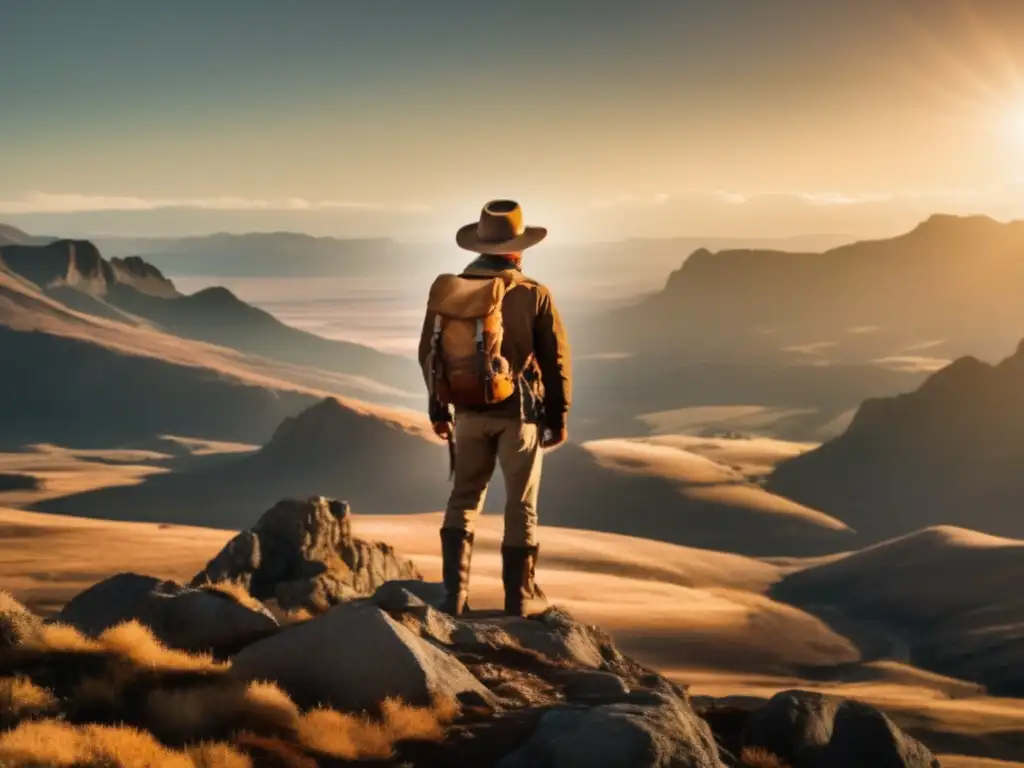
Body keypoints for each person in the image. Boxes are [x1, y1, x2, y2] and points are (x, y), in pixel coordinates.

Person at [418, 199, 571, 618]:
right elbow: (555, 360)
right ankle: (518, 602)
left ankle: (453, 598)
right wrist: (557, 418)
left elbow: (428, 355)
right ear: (519, 248)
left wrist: (439, 411)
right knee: (521, 504)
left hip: (466, 412)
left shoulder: (450, 291)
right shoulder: (533, 292)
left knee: (464, 498)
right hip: (518, 415)